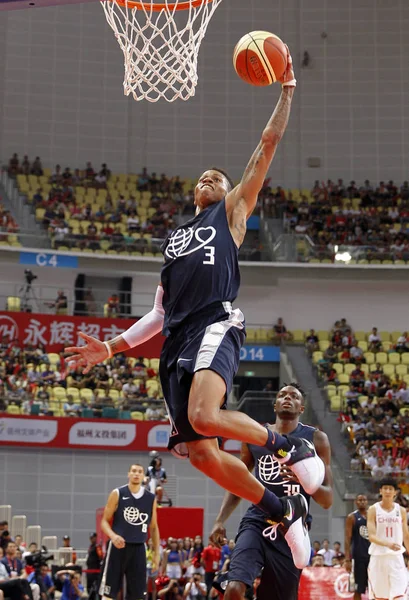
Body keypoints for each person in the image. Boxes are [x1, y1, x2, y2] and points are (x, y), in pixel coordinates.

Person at [65, 48, 324, 568]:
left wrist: (287, 92)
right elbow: (158, 315)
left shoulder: (230, 216)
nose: (209, 178)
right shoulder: (175, 239)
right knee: (202, 453)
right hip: (177, 340)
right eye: (202, 176)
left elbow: (264, 149)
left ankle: (286, 445)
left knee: (205, 414)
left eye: (218, 177)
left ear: (231, 194)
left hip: (215, 321)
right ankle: (282, 508)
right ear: (192, 190)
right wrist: (111, 348)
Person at [210, 383, 333, 600]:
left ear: (301, 408)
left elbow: (327, 500)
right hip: (257, 521)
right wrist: (220, 520)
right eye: (282, 395)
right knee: (234, 588)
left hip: (292, 527)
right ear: (274, 404)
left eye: (294, 396)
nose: (287, 398)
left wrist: (305, 479)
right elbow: (238, 480)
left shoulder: (316, 439)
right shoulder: (255, 436)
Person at [99, 464, 160, 600]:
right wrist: (113, 536)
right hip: (117, 547)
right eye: (133, 471)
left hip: (138, 548)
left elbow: (154, 527)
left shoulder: (150, 498)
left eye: (139, 472)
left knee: (138, 595)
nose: (136, 474)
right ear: (128, 474)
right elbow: (104, 521)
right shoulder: (117, 493)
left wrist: (156, 554)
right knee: (109, 593)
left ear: (144, 476)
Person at [367, 478, 409, 600]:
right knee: (380, 597)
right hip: (378, 556)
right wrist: (387, 544)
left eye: (390, 489)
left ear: (395, 492)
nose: (387, 491)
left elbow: (406, 535)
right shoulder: (373, 509)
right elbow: (371, 536)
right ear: (380, 491)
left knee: (400, 595)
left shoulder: (401, 510)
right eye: (385, 488)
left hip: (396, 557)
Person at [344, 494, 370, 600]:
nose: (362, 502)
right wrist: (347, 559)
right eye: (360, 500)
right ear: (356, 502)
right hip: (358, 557)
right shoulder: (352, 517)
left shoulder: (373, 516)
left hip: (373, 556)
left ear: (367, 501)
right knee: (357, 589)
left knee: (376, 587)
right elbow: (347, 539)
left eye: (364, 499)